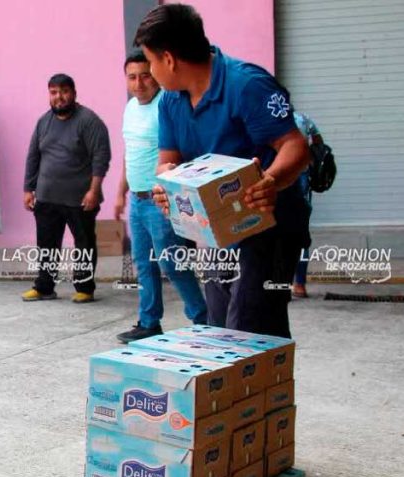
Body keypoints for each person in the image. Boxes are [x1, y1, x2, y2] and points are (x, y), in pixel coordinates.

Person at [135, 4, 311, 338]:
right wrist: (167, 183)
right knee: (218, 329)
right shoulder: (172, 101)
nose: (152, 73)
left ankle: (266, 389)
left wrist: (271, 180)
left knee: (251, 327)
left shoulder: (247, 86)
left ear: (169, 59)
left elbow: (296, 146)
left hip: (269, 230)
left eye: (151, 62)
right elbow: (167, 159)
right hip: (218, 233)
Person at [114, 51, 208, 343]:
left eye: (145, 75)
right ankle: (149, 322)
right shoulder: (130, 108)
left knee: (171, 262)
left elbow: (179, 152)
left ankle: (203, 320)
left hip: (161, 201)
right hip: (137, 201)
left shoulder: (165, 106)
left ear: (155, 75)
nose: (139, 83)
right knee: (143, 263)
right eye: (132, 77)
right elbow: (131, 155)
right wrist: (120, 192)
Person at [22, 74, 111, 304]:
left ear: (74, 93)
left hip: (80, 198)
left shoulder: (89, 121)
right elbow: (33, 156)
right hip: (47, 196)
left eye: (64, 91)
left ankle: (84, 288)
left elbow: (101, 158)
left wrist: (94, 190)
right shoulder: (43, 122)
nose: (59, 97)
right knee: (46, 245)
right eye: (53, 92)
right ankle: (44, 287)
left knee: (83, 245)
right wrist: (28, 189)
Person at [291, 111, 323, 299]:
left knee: (275, 235)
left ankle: (278, 286)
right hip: (301, 177)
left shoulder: (266, 118)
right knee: (301, 233)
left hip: (276, 177)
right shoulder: (303, 119)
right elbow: (319, 143)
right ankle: (300, 284)